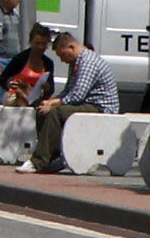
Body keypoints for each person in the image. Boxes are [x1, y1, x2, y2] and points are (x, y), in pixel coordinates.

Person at [30, 26, 117, 173]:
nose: (62, 60)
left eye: (62, 55)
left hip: (100, 107)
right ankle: (53, 156)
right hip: (87, 103)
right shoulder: (75, 63)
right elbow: (68, 90)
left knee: (56, 113)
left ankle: (39, 161)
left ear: (71, 47)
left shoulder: (87, 62)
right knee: (42, 111)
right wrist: (50, 101)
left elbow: (78, 95)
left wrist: (54, 105)